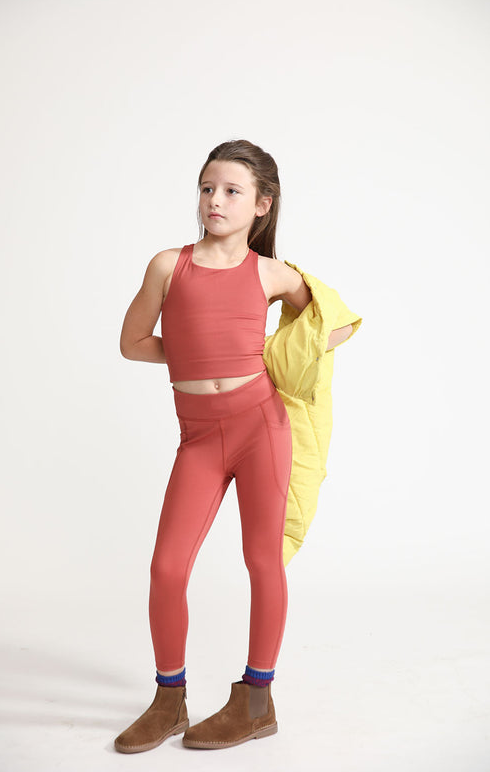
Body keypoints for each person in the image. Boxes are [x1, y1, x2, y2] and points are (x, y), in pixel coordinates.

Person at [114, 139, 345, 753]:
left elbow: (334, 323)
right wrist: (197, 352)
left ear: (262, 205)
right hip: (199, 438)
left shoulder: (272, 274)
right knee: (167, 568)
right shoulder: (169, 265)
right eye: (207, 188)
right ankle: (169, 700)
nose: (215, 200)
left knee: (262, 560)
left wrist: (274, 354)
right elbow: (133, 342)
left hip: (260, 428)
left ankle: (256, 700)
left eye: (232, 191)